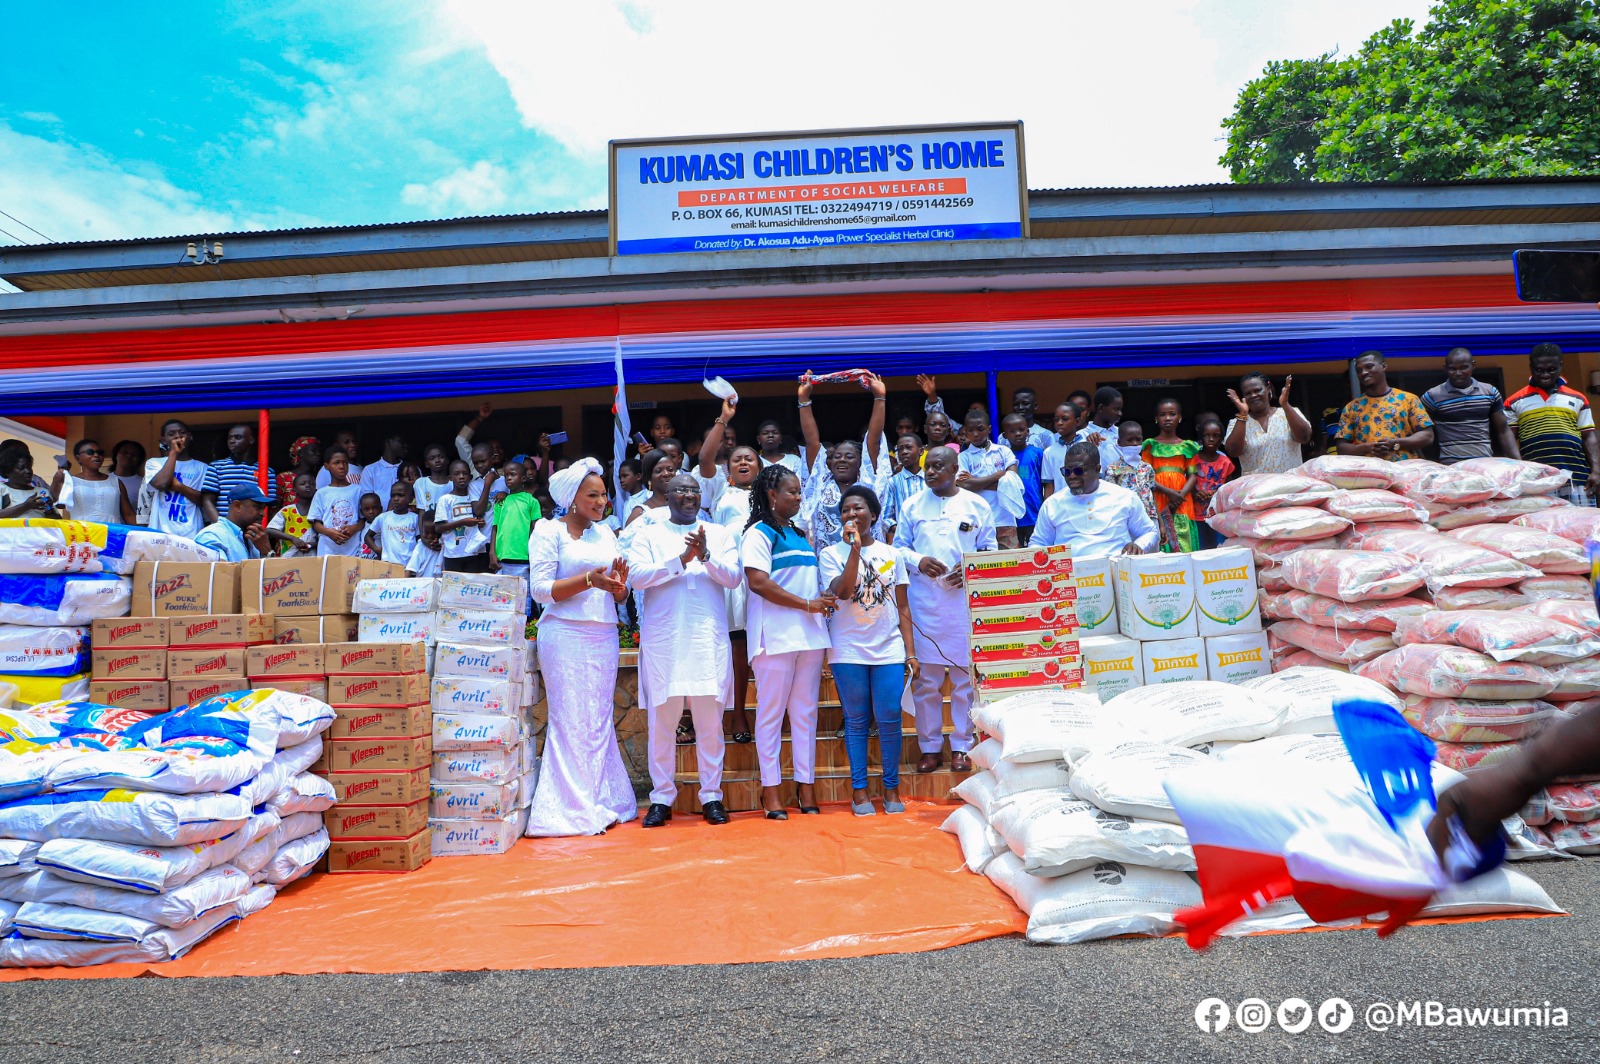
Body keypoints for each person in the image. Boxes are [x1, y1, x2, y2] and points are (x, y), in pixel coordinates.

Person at [525, 459, 635, 837]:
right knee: (571, 720)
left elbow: (621, 585)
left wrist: (620, 588)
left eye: (604, 494)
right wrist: (589, 580)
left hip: (602, 631)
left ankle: (603, 799)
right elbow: (540, 590)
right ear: (572, 499)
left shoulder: (606, 534)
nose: (602, 501)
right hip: (564, 634)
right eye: (593, 495)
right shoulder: (548, 530)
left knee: (599, 718)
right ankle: (573, 808)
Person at [627, 473, 743, 828]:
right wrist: (682, 558)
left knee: (710, 725)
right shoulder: (648, 533)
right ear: (667, 493)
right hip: (666, 642)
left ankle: (712, 797)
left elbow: (734, 578)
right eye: (682, 489)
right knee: (663, 726)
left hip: (706, 641)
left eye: (695, 490)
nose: (689, 495)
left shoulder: (719, 534)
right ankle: (661, 799)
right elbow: (636, 577)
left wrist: (705, 555)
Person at [742, 464, 836, 819]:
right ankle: (771, 791)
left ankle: (806, 785)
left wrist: (819, 601)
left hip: (810, 637)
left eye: (799, 492)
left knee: (805, 715)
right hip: (774, 637)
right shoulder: (758, 533)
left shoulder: (799, 534)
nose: (798, 497)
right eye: (792, 492)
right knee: (770, 716)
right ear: (772, 495)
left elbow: (805, 584)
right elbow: (758, 583)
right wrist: (807, 604)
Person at [894, 446, 995, 774]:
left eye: (939, 466)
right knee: (927, 682)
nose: (931, 472)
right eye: (928, 467)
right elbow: (898, 549)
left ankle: (963, 747)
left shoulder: (977, 505)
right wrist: (918, 561)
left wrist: (969, 570)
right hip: (925, 606)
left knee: (966, 682)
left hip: (963, 606)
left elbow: (989, 550)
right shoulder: (912, 505)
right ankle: (930, 747)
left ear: (955, 468)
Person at [820, 486, 913, 816]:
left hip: (888, 648)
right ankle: (859, 791)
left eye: (857, 509)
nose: (851, 515)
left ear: (873, 515)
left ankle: (891, 788)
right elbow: (842, 593)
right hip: (848, 650)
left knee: (889, 719)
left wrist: (910, 653)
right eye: (845, 510)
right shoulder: (830, 554)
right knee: (856, 721)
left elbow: (903, 605)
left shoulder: (893, 554)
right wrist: (854, 551)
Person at [797, 370, 889, 551]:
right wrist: (804, 401)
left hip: (869, 563)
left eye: (849, 457)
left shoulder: (868, 482)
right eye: (837, 456)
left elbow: (873, 439)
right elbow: (812, 442)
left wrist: (879, 398)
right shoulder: (820, 483)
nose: (842, 460)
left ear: (860, 462)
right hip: (829, 568)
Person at [711, 443, 761, 746]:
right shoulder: (720, 491)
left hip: (764, 573)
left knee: (767, 646)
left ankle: (773, 712)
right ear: (728, 468)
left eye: (749, 458)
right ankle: (739, 714)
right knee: (738, 646)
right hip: (732, 574)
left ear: (759, 466)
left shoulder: (770, 492)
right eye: (736, 459)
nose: (743, 462)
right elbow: (705, 459)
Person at [1032, 442, 1159, 557]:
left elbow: (1149, 532)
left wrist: (1138, 546)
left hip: (1117, 575)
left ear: (1097, 469)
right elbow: (1038, 542)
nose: (1072, 476)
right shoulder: (1052, 504)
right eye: (1066, 471)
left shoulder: (1124, 497)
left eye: (1078, 470)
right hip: (1070, 576)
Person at [1505, 343, 1600, 498]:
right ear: (1531, 367)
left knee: (1579, 521)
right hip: (1536, 481)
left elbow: (1589, 437)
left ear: (1560, 366)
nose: (1545, 375)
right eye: (1539, 370)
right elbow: (1508, 440)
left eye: (1551, 369)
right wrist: (1520, 471)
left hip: (1577, 477)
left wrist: (1596, 471)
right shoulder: (1513, 401)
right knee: (1541, 522)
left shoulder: (1578, 398)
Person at [1419, 348, 1519, 464]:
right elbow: (1421, 432)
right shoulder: (1432, 396)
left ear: (1473, 365)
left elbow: (1503, 431)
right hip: (1451, 467)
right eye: (1452, 369)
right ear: (1445, 368)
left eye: (1463, 367)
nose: (1458, 373)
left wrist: (1519, 463)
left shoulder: (1489, 392)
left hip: (1484, 464)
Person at [1335, 352, 1435, 461]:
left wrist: (1395, 443)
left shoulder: (1408, 399)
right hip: (1370, 473)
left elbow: (1427, 436)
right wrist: (1368, 448)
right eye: (1359, 371)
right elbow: (1342, 448)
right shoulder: (1352, 407)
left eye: (1369, 367)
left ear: (1383, 366)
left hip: (1405, 471)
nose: (1363, 372)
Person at [1224, 372, 1313, 475]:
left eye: (1257, 390)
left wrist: (1285, 405)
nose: (1253, 395)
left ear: (1268, 389)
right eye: (1248, 393)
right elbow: (1233, 452)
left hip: (1289, 487)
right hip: (1256, 489)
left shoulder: (1289, 412)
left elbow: (1304, 438)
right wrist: (1243, 414)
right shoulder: (1237, 422)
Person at [144, 420, 219, 540]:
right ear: (163, 440)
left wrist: (178, 486)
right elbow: (162, 483)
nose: (178, 436)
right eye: (171, 434)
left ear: (190, 436)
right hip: (160, 533)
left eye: (182, 432)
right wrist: (173, 452)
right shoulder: (154, 463)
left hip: (191, 533)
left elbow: (204, 500)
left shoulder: (203, 468)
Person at [1143, 399, 1200, 553]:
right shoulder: (1150, 445)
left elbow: (1193, 475)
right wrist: (1169, 493)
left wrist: (1180, 496)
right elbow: (1145, 476)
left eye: (1172, 414)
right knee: (1163, 538)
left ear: (1179, 417)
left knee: (1184, 538)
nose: (1167, 418)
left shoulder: (1187, 446)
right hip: (1159, 496)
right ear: (1156, 418)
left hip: (1182, 499)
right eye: (1163, 414)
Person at [489, 459, 540, 611]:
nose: (508, 478)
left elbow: (536, 530)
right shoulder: (501, 501)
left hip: (524, 559)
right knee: (502, 600)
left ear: (523, 478)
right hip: (502, 558)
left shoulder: (531, 501)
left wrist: (535, 556)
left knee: (523, 601)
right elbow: (495, 528)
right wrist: (492, 552)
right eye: (506, 476)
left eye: (513, 475)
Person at [52, 439, 132, 525]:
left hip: (111, 534)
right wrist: (57, 482)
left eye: (100, 452)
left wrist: (145, 531)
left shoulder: (115, 482)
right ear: (78, 458)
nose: (96, 455)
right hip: (83, 533)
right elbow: (59, 505)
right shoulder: (71, 481)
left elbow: (129, 514)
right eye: (90, 452)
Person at [955, 408, 1017, 516]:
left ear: (989, 429)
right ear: (965, 432)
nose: (975, 434)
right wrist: (997, 475)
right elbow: (965, 485)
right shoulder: (962, 457)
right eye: (970, 430)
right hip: (977, 516)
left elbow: (1013, 481)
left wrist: (975, 481)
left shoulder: (1003, 451)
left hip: (1005, 516)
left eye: (980, 429)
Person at [307, 447, 367, 557]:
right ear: (326, 466)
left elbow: (364, 519)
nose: (342, 466)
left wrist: (354, 528)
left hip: (353, 547)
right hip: (328, 548)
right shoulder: (322, 493)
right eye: (336, 463)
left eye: (345, 463)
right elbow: (315, 522)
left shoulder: (358, 490)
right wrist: (330, 533)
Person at [208, 423, 277, 518]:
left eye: (237, 437)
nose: (232, 441)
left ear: (251, 440)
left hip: (253, 529)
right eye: (230, 438)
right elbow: (207, 501)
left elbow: (270, 506)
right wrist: (221, 526)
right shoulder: (216, 467)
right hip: (223, 527)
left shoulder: (267, 471)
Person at [434, 460, 490, 572]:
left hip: (475, 552)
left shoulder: (474, 498)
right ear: (450, 478)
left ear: (470, 477)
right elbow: (439, 527)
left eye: (465, 474)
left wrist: (479, 523)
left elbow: (478, 516)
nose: (461, 477)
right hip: (453, 553)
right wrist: (463, 522)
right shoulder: (445, 500)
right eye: (457, 474)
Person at [1190, 414, 1235, 550]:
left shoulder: (1225, 462)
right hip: (1196, 515)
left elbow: (1229, 487)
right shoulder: (1193, 459)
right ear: (1200, 438)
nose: (1211, 439)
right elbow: (1186, 481)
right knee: (1200, 549)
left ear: (1221, 439)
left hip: (1218, 516)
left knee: (1219, 548)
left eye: (1216, 436)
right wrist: (1196, 492)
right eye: (1207, 435)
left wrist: (1215, 494)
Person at [1000, 413, 1044, 545]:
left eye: (1021, 429)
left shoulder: (1038, 453)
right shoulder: (1002, 456)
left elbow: (1046, 482)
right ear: (1005, 435)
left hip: (1034, 512)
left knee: (1037, 552)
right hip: (1011, 516)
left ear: (1028, 432)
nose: (1017, 433)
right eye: (1012, 431)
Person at [194, 484, 270, 561]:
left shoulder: (254, 538)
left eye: (263, 508)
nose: (263, 514)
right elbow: (219, 572)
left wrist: (266, 553)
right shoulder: (212, 535)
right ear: (237, 506)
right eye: (257, 507)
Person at [881, 433, 927, 541]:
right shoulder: (893, 482)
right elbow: (885, 516)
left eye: (909, 447)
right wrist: (901, 530)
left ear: (921, 451)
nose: (904, 452)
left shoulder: (930, 480)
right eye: (900, 449)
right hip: (903, 540)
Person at [365, 482, 420, 564]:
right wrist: (377, 549)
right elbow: (368, 536)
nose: (396, 499)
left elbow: (419, 540)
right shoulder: (383, 517)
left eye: (400, 495)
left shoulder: (415, 518)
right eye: (393, 495)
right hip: (388, 565)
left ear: (411, 499)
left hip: (409, 565)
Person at [266, 472, 317, 556]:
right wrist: (292, 538)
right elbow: (270, 530)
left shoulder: (319, 511)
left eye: (311, 484)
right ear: (294, 490)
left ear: (316, 489)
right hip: (289, 556)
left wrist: (310, 544)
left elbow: (324, 537)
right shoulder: (287, 511)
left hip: (313, 557)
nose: (308, 485)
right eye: (302, 483)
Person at [1074, 387, 1124, 471]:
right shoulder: (1080, 436)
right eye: (1116, 409)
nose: (1120, 413)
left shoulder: (1122, 433)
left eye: (1120, 409)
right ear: (1101, 408)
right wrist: (1089, 446)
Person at [0, 450, 57, 519]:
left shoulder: (42, 492)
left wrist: (50, 511)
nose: (28, 471)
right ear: (7, 472)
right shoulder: (2, 488)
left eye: (29, 467)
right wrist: (25, 506)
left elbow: (56, 523)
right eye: (21, 468)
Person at [1041, 402, 1080, 498]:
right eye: (1056, 419)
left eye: (1065, 419)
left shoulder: (1088, 447)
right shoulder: (1049, 452)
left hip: (1084, 501)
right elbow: (1049, 485)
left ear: (1077, 421)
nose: (1059, 423)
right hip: (1060, 504)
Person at [361, 433, 407, 509]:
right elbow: (367, 502)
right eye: (401, 441)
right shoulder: (370, 470)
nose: (405, 445)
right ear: (388, 442)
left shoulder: (411, 470)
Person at [109, 440, 147, 524]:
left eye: (134, 454)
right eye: (125, 452)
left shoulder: (144, 484)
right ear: (116, 455)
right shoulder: (105, 480)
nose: (129, 456)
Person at [1010, 387, 1056, 451]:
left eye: (1025, 403)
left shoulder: (1046, 435)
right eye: (1016, 404)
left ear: (1035, 406)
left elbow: (1051, 459)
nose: (1020, 407)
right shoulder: (1004, 436)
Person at [280, 436, 320, 505]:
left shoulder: (319, 477)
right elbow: (275, 506)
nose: (318, 454)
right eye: (313, 451)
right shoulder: (284, 477)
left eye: (319, 451)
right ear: (301, 453)